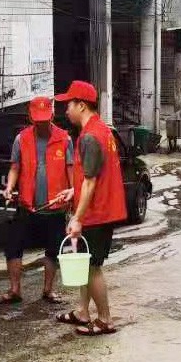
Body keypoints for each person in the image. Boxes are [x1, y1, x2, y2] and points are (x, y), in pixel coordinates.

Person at [52, 81, 126, 336]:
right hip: (101, 207)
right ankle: (84, 312)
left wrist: (77, 217)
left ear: (81, 105)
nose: (66, 111)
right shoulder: (100, 130)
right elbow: (94, 176)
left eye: (69, 105)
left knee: (93, 267)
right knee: (85, 263)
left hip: (98, 212)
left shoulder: (91, 136)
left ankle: (105, 319)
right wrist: (73, 190)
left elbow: (92, 182)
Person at [0, 97, 75, 306]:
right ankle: (14, 290)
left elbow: (71, 169)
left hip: (54, 207)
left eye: (45, 119)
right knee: (13, 247)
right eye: (37, 120)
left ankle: (48, 290)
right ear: (30, 117)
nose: (41, 123)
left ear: (52, 115)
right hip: (26, 205)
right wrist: (9, 187)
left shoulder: (64, 139)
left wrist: (73, 194)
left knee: (53, 251)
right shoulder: (21, 139)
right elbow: (15, 167)